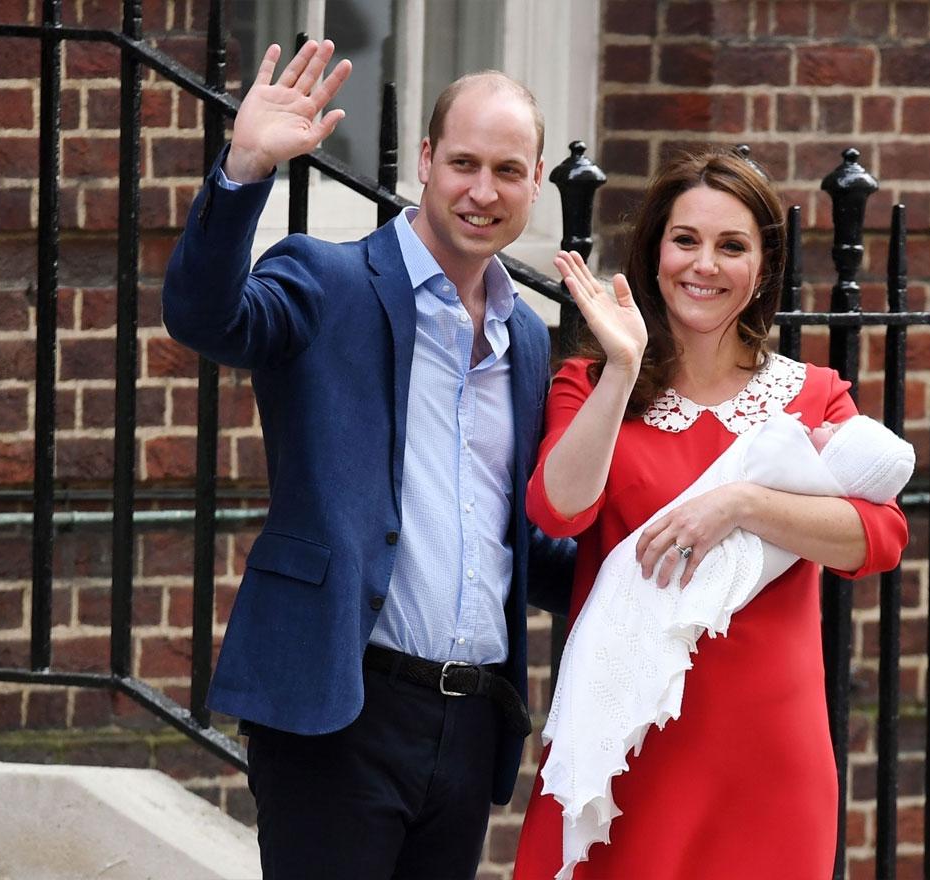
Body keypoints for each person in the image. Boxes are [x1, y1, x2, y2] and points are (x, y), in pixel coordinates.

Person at [162, 39, 574, 880]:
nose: (482, 191)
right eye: (462, 162)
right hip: (339, 710)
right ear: (425, 161)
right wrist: (242, 171)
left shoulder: (527, 339)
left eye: (506, 169)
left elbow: (518, 540)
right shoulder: (326, 280)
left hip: (469, 721)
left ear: (536, 181)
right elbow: (204, 318)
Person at [512, 150, 910, 879]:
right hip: (629, 742)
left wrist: (742, 503)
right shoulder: (591, 381)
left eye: (732, 246)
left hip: (767, 755)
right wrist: (624, 368)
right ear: (656, 250)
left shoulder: (810, 394)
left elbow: (880, 538)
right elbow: (559, 510)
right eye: (686, 239)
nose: (705, 264)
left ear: (762, 269)